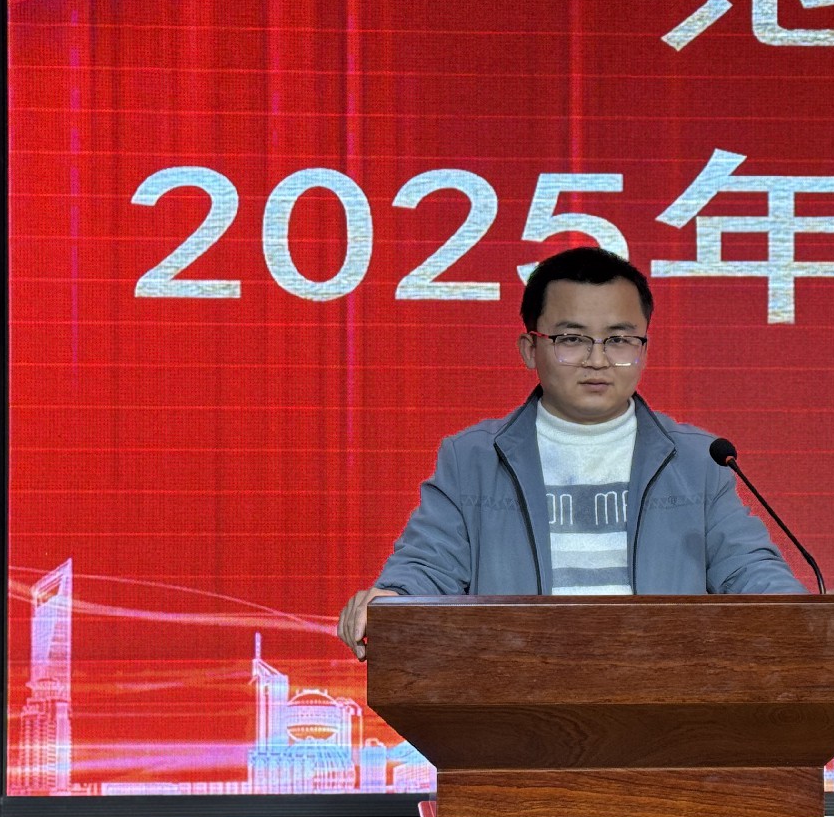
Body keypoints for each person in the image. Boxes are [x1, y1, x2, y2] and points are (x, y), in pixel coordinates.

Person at [337, 247, 804, 658]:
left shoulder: (699, 460)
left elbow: (749, 569)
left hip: (664, 699)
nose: (597, 360)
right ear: (530, 349)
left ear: (644, 349)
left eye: (619, 340)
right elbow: (428, 565)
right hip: (517, 697)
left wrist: (808, 619)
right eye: (572, 339)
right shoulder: (472, 459)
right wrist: (392, 598)